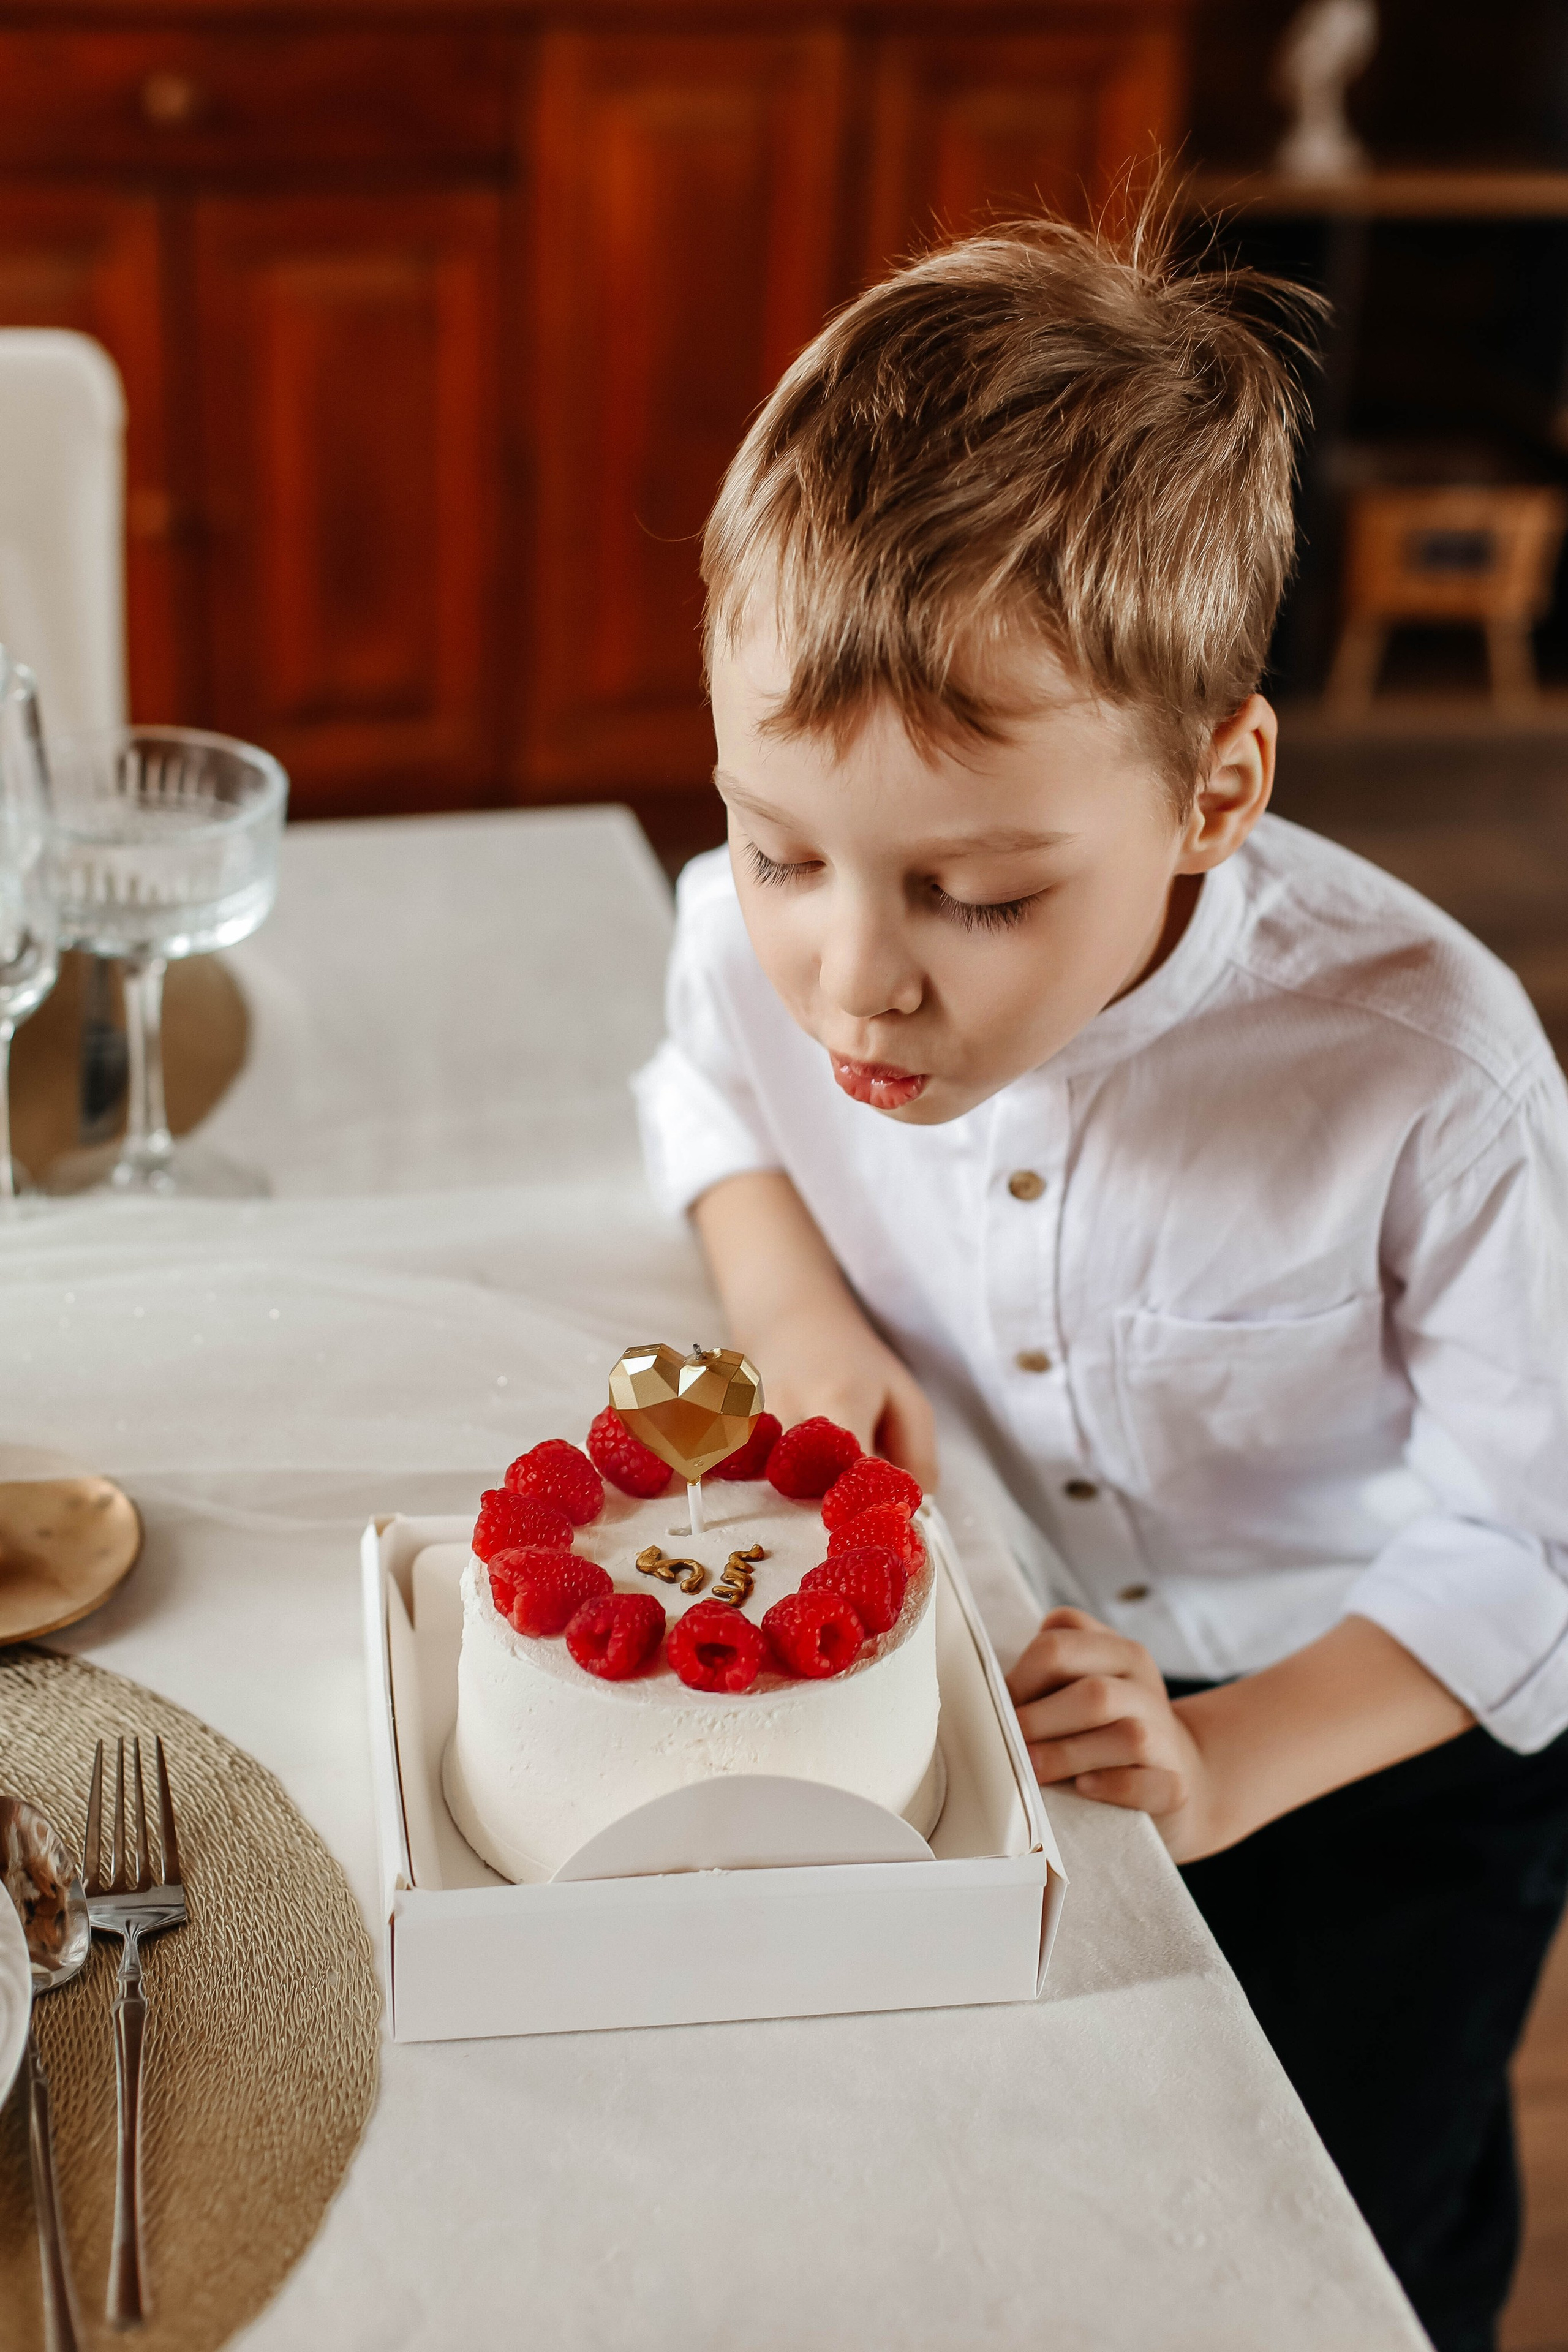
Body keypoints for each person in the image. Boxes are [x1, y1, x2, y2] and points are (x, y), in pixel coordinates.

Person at [631, 208, 1568, 2352]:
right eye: (781, 850)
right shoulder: (751, 936)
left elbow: (1538, 1536)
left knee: (1341, 2227)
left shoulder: (1430, 1079)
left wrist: (1232, 1761)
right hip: (1019, 1694)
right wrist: (798, 1310)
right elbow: (702, 1092)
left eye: (968, 891)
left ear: (1215, 788)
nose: (849, 974)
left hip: (1370, 1754)